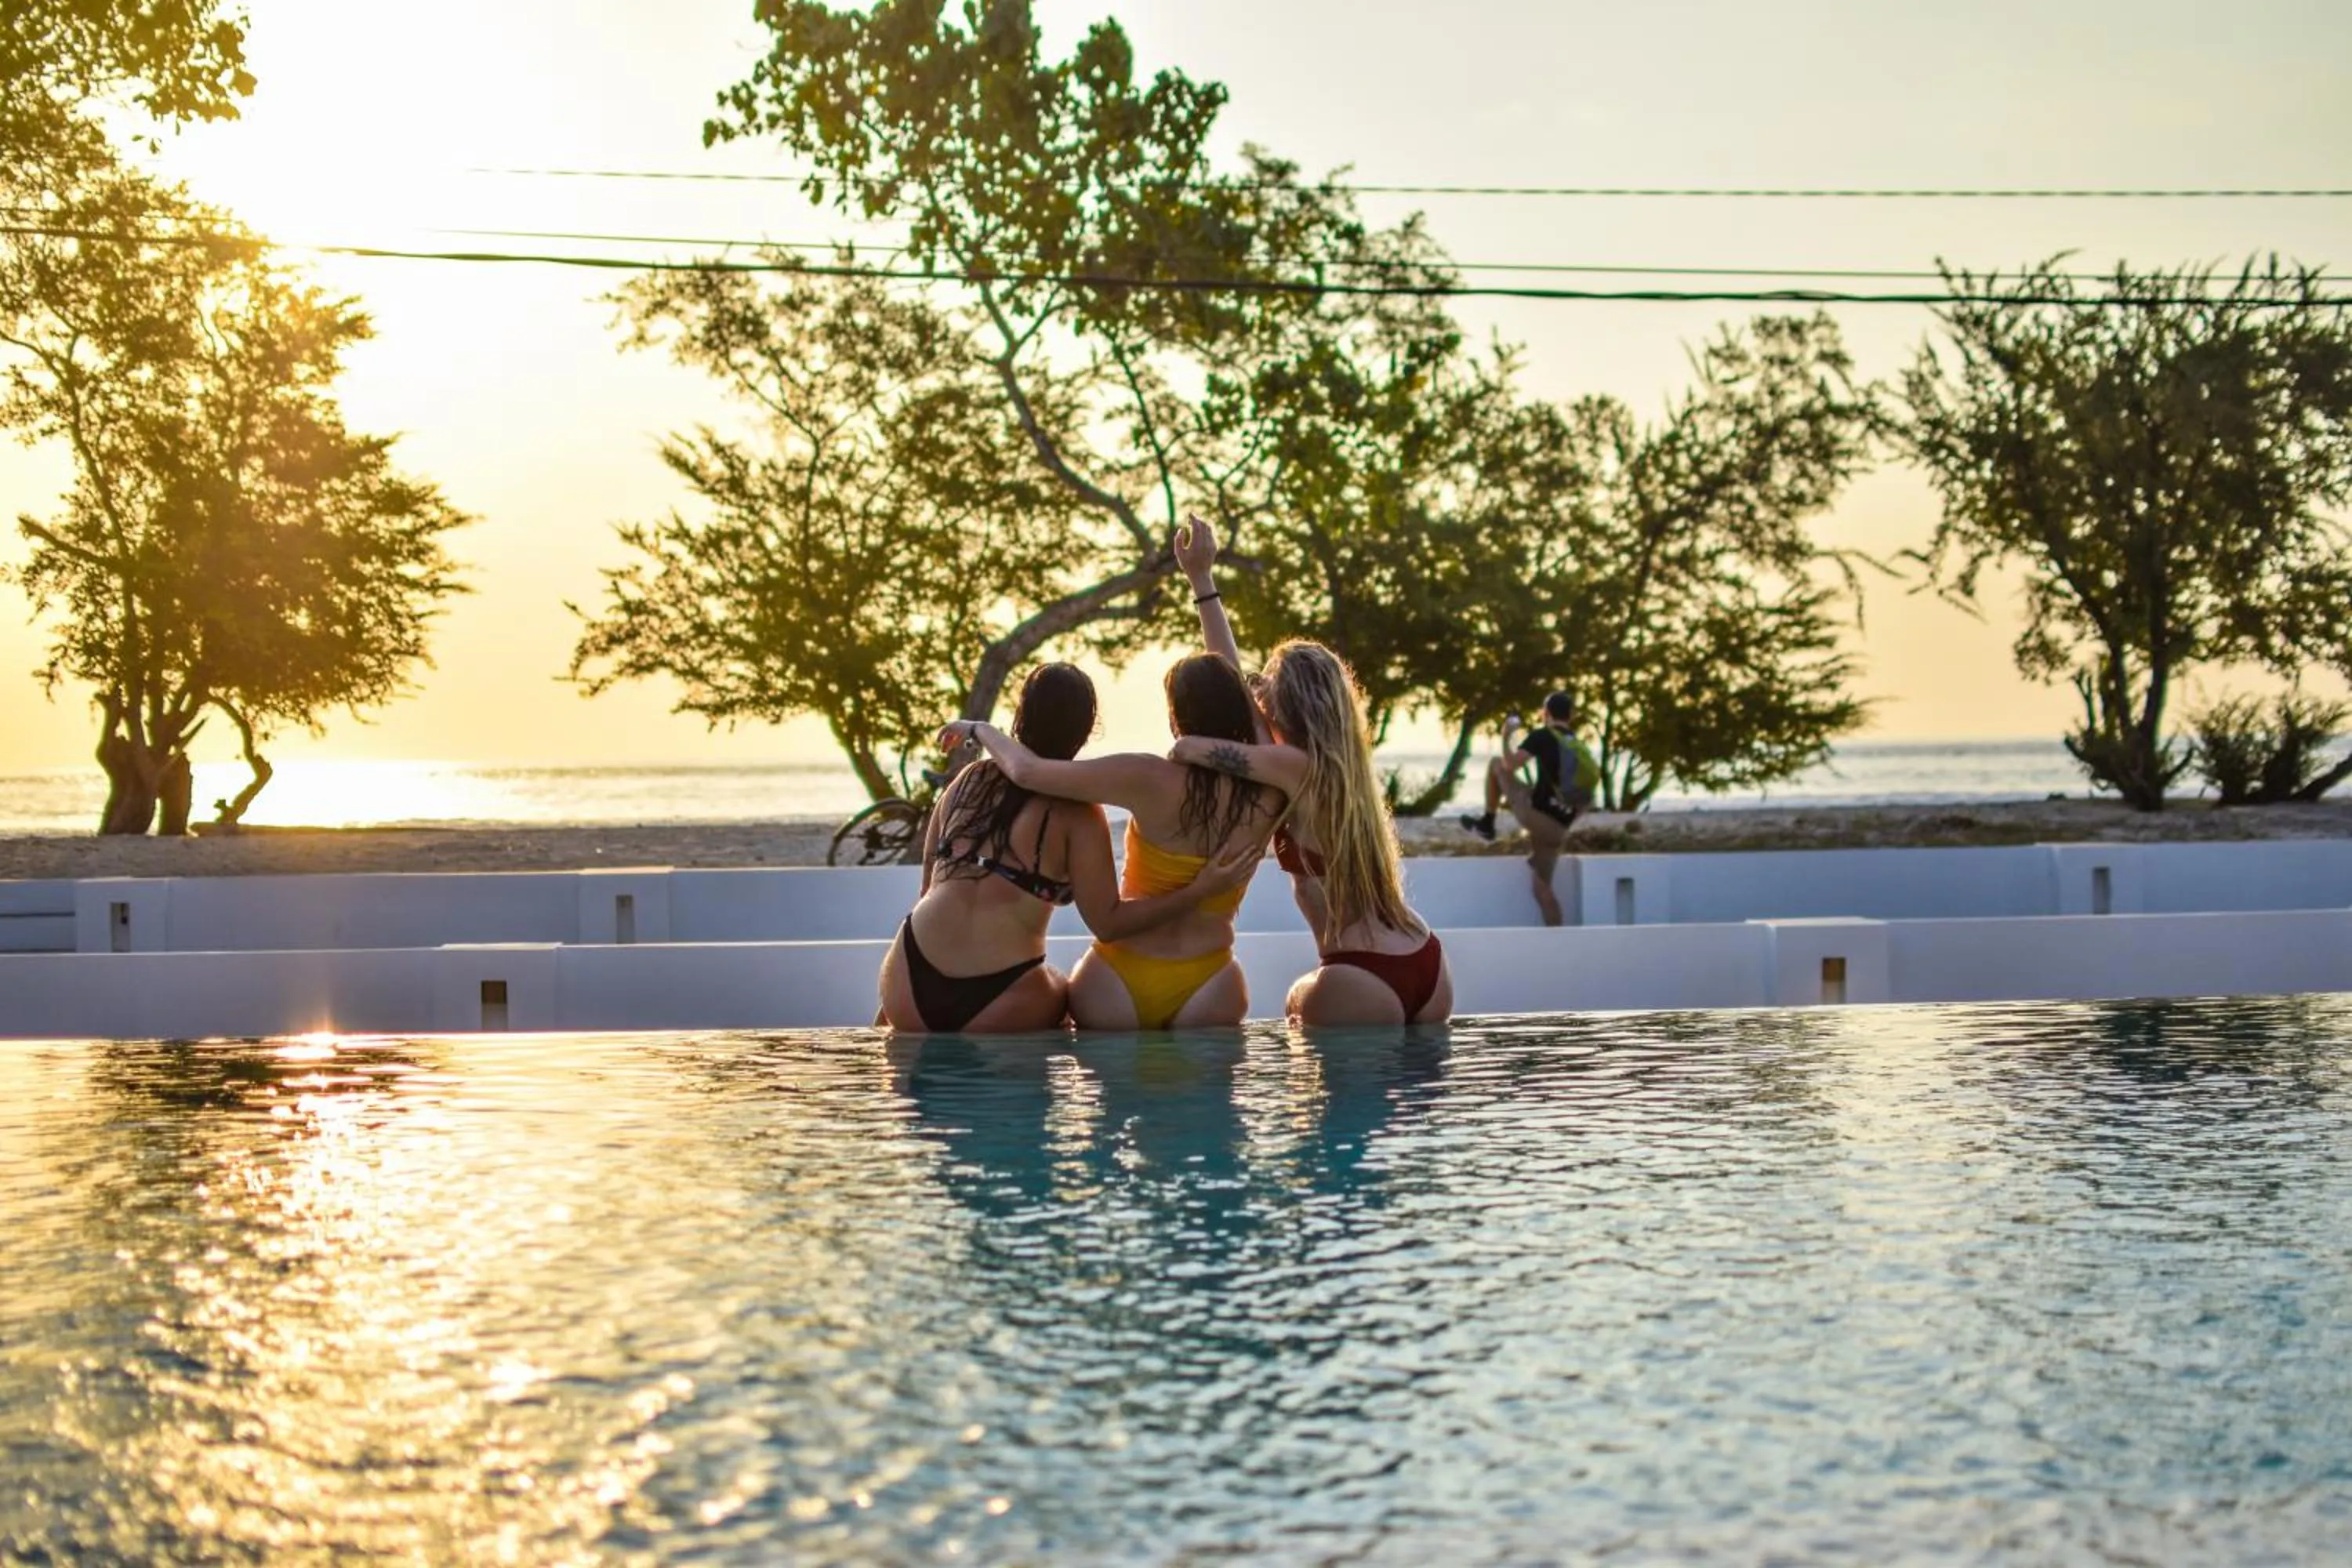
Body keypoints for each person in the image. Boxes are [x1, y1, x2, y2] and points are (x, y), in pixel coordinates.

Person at [1165, 516, 1454, 1026]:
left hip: (1360, 973)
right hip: (1424, 958)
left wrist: (1186, 747)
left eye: (1265, 684)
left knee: (1297, 1014)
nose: (1255, 690)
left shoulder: (1293, 767)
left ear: (1285, 704)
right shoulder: (1345, 770)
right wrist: (1201, 580)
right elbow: (1230, 675)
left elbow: (1190, 746)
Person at [878, 663, 1253, 1033]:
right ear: (1086, 730)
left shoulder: (968, 781)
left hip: (906, 979)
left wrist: (892, 1004)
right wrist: (1198, 891)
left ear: (1020, 714)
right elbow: (1109, 924)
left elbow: (927, 892)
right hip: (999, 997)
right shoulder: (1079, 815)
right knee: (1065, 995)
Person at [1460, 691, 1600, 926]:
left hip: (1535, 816)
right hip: (1559, 830)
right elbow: (1587, 799)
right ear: (1571, 716)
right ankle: (1560, 941)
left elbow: (1510, 765)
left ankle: (1487, 823)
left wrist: (1506, 736)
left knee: (1496, 764)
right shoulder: (1578, 747)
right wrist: (1563, 819)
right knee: (1541, 889)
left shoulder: (1543, 736)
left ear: (1546, 713)